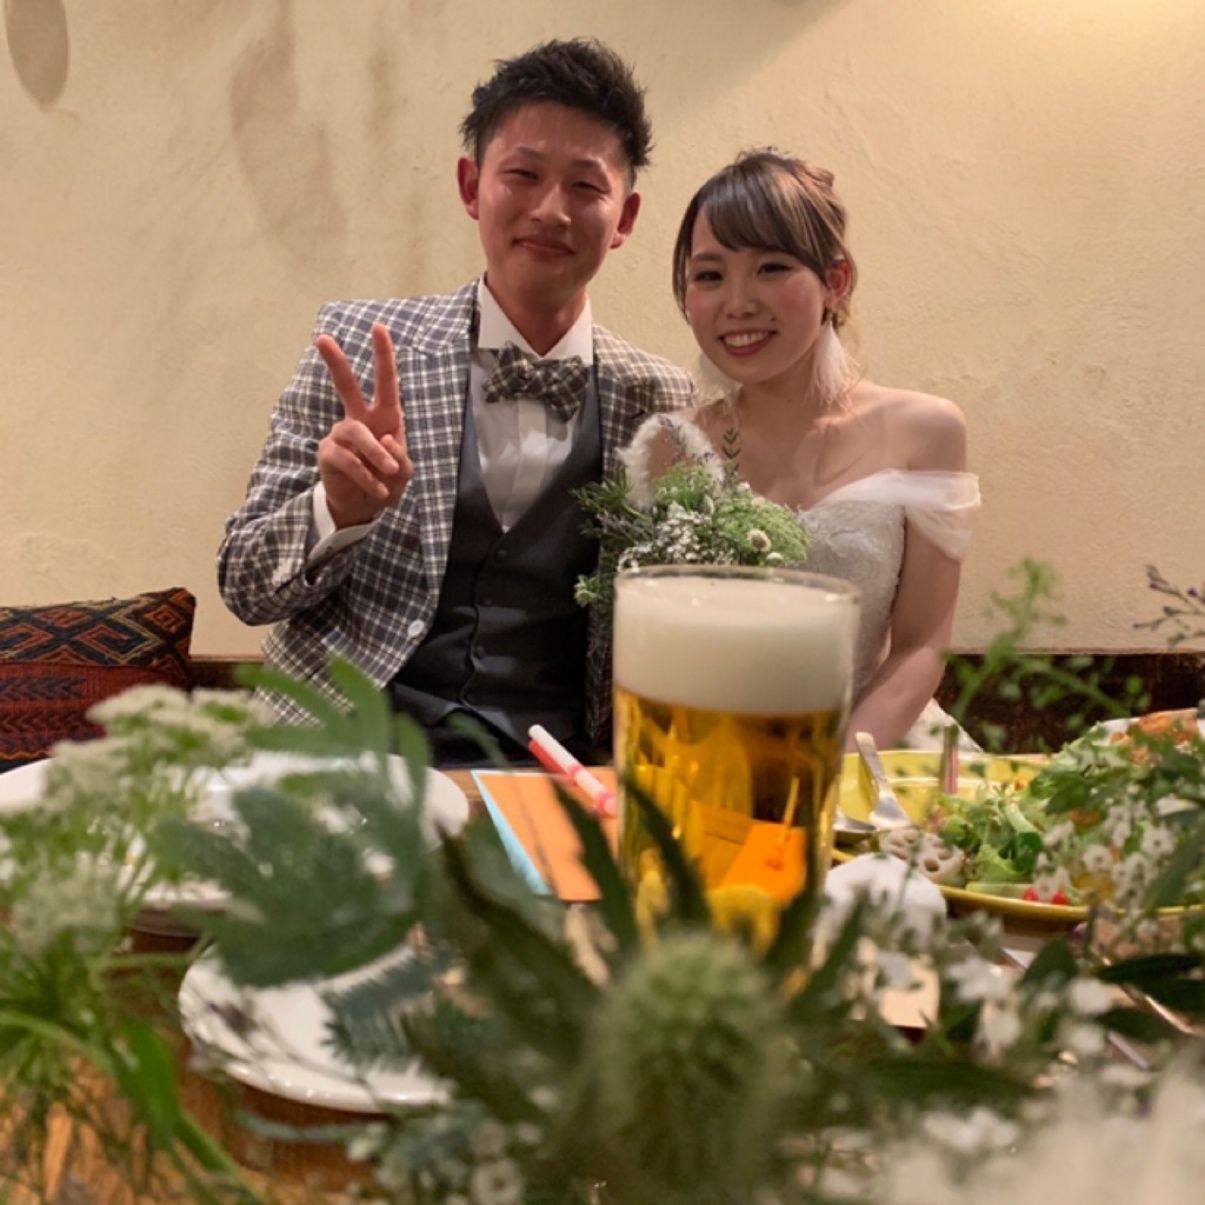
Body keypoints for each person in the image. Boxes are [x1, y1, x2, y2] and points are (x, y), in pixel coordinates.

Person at [218, 39, 695, 765]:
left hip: (552, 770)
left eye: (583, 186)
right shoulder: (358, 348)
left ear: (624, 217)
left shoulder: (661, 400)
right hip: (343, 753)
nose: (550, 210)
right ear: (472, 186)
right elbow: (244, 584)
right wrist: (335, 512)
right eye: (523, 175)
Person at [625, 150, 980, 750]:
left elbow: (921, 644)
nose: (738, 302)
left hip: (873, 749)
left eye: (770, 268)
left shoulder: (926, 431)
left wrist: (827, 771)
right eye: (709, 276)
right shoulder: (669, 444)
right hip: (714, 752)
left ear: (835, 282)